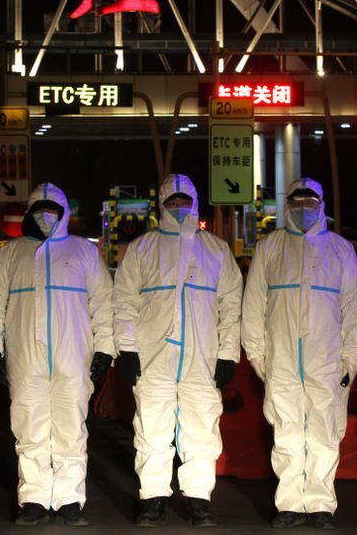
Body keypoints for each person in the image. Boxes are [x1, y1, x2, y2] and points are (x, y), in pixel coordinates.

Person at [0, 182, 115, 527]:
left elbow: (103, 305)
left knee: (71, 429)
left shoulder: (83, 252)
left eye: (51, 209)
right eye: (38, 209)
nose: (45, 216)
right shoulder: (12, 254)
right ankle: (34, 499)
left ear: (63, 213)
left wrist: (104, 349)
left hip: (74, 357)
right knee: (30, 428)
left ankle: (70, 499)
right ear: (29, 212)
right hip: (26, 358)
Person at [113, 173, 243, 527]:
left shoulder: (216, 250)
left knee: (201, 428)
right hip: (153, 357)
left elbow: (232, 307)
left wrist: (228, 353)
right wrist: (127, 349)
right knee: (152, 428)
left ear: (196, 202)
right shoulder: (143, 248)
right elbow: (123, 302)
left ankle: (198, 499)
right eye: (173, 202)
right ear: (162, 206)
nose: (180, 208)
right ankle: (152, 497)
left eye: (185, 201)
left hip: (202, 358)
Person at [241, 178, 357, 529]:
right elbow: (253, 305)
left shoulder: (339, 249)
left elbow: (354, 306)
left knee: (325, 432)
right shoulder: (271, 248)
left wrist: (351, 357)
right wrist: (257, 353)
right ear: (287, 205)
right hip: (280, 358)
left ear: (322, 204)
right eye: (297, 202)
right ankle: (290, 504)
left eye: (311, 202)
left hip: (326, 359)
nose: (304, 209)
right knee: (286, 432)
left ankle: (321, 505)